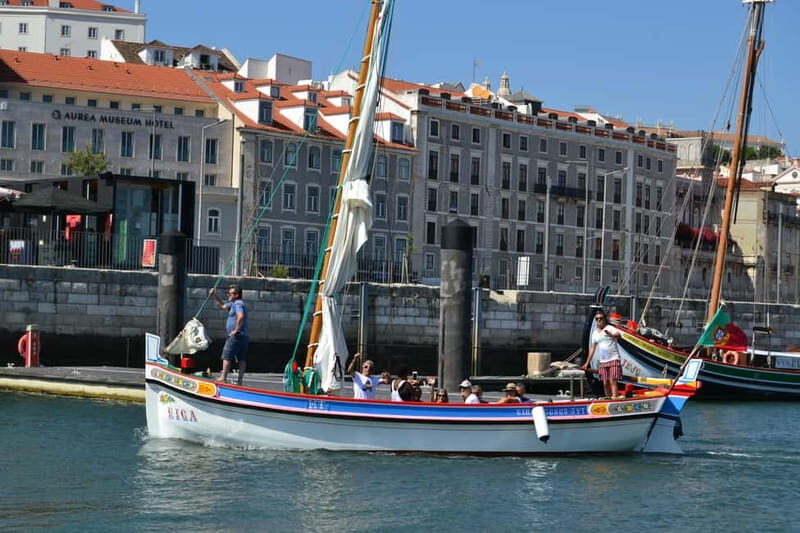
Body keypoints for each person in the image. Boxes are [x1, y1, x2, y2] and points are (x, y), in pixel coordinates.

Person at [210, 285, 249, 385]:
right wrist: (214, 296)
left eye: (230, 293)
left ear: (236, 295)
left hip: (237, 336)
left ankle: (223, 378)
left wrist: (236, 330)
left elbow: (241, 316)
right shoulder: (233, 304)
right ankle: (240, 381)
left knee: (226, 356)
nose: (228, 294)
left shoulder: (238, 304)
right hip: (243, 336)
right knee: (241, 358)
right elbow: (223, 306)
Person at [581, 311, 623, 398]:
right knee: (605, 382)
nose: (599, 320)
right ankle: (608, 398)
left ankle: (615, 399)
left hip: (613, 358)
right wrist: (586, 363)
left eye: (601, 318)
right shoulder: (595, 333)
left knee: (613, 380)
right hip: (603, 361)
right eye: (597, 319)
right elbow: (592, 349)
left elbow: (618, 335)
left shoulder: (610, 328)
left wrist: (611, 335)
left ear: (604, 319)